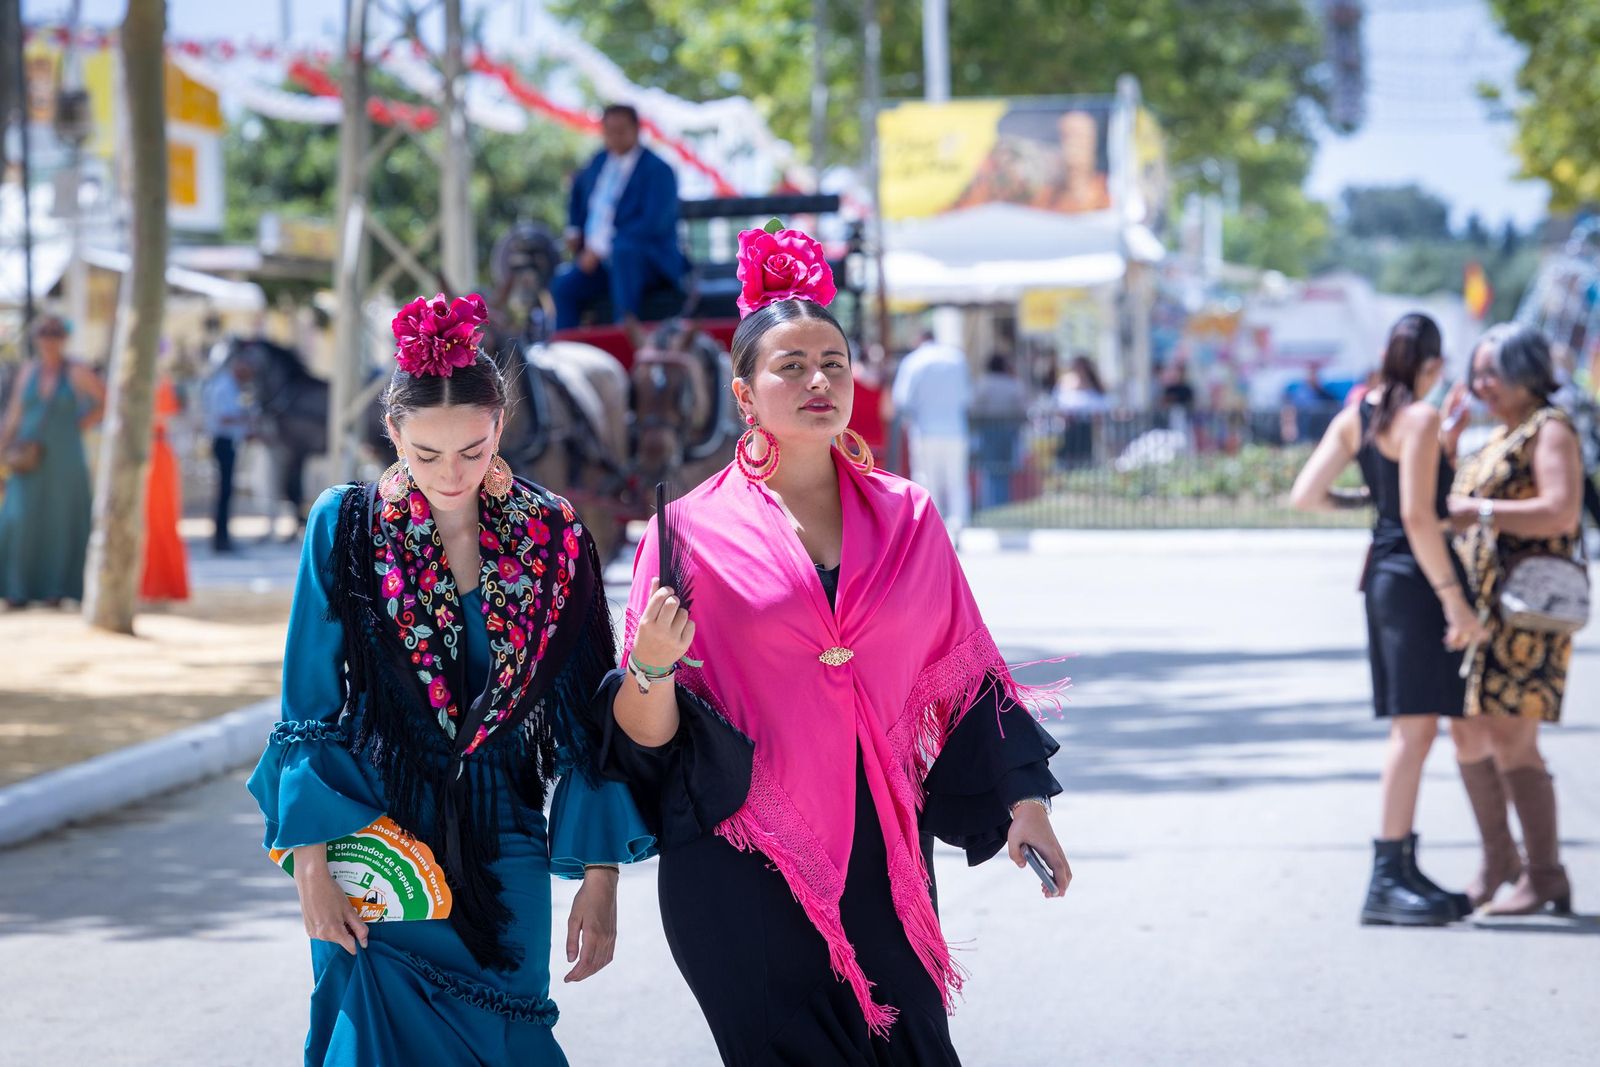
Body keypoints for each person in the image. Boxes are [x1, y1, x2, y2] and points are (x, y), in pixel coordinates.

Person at [593, 224, 1071, 1065]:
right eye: (791, 366)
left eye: (834, 364)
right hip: (740, 862)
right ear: (744, 395)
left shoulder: (912, 518)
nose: (818, 380)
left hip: (885, 861)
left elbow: (970, 674)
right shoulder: (687, 532)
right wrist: (652, 665)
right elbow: (646, 735)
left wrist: (1026, 803)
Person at [247, 292, 654, 1064]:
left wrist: (600, 878)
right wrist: (311, 866)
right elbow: (309, 707)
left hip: (507, 838)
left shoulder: (555, 535)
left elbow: (584, 720)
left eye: (472, 448)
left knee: (509, 1037)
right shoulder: (347, 526)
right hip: (375, 835)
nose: (450, 473)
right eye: (426, 454)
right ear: (392, 431)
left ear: (499, 424)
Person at [1291, 313, 1488, 926]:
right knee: (1413, 730)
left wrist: (1365, 499)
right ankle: (1386, 876)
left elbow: (1307, 493)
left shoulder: (1361, 414)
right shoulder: (1419, 417)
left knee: (1418, 728)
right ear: (1431, 365)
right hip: (1418, 581)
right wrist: (1455, 599)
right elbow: (1420, 516)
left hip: (1386, 577)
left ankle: (1398, 867)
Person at [1444, 323, 1585, 916]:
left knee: (1511, 736)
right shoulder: (1500, 433)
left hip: (1527, 615)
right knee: (1468, 730)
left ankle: (1544, 873)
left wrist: (1477, 511)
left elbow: (1559, 513)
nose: (1481, 384)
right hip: (1484, 614)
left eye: (1491, 373)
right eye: (1476, 373)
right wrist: (1449, 445)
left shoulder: (1549, 430)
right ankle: (1499, 860)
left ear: (1526, 371)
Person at [0, 314, 105, 608]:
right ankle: (16, 588)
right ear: (36, 340)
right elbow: (14, 414)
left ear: (63, 339)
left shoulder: (76, 371)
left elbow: (105, 401)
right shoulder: (28, 371)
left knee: (61, 520)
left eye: (54, 335)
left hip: (64, 453)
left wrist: (80, 424)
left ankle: (57, 589)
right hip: (28, 452)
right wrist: (3, 445)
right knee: (17, 517)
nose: (48, 341)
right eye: (44, 335)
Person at [552, 104, 685, 332]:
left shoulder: (659, 170)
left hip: (647, 262)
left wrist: (602, 248)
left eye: (621, 130)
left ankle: (623, 338)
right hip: (599, 264)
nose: (615, 137)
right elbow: (578, 192)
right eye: (609, 131)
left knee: (624, 252)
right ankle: (568, 349)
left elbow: (654, 223)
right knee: (563, 287)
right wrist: (575, 230)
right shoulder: (598, 162)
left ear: (636, 129)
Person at [891, 321, 973, 538]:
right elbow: (967, 396)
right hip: (955, 429)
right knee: (957, 479)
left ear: (919, 339)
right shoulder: (957, 359)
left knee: (928, 480)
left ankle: (934, 530)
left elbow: (901, 398)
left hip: (925, 430)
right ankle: (957, 526)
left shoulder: (913, 361)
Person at [139, 373, 190, 602]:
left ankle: (161, 584)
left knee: (161, 519)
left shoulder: (160, 383)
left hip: (155, 453)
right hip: (148, 451)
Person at [201, 348, 251, 554]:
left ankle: (223, 538)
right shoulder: (224, 385)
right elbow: (222, 417)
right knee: (224, 492)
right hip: (223, 441)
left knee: (226, 492)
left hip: (228, 441)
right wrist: (246, 417)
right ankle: (220, 540)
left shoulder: (229, 385)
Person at [970, 353, 1029, 509]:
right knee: (1005, 472)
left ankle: (990, 506)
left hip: (988, 433)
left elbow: (974, 409)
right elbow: (1022, 411)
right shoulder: (1013, 384)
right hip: (1009, 433)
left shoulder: (983, 384)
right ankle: (1003, 506)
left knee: (989, 472)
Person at [1054, 353, 1110, 467]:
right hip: (1069, 432)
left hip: (1089, 433)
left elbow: (1101, 410)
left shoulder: (1095, 389)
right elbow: (1058, 407)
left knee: (1085, 461)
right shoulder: (1065, 385)